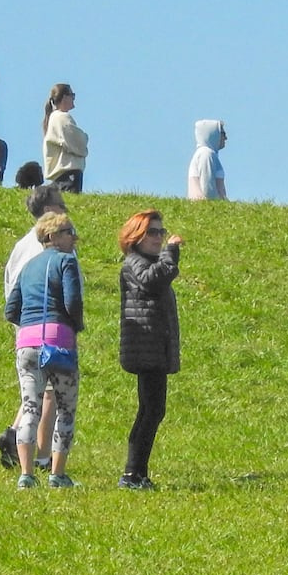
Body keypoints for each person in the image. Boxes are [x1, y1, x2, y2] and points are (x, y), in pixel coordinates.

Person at [4, 211, 83, 489]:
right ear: (52, 236)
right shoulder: (66, 262)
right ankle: (57, 475)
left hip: (26, 343)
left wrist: (30, 326)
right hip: (58, 343)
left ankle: (26, 475)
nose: (74, 238)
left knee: (29, 408)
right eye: (68, 232)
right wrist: (75, 326)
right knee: (65, 409)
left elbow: (10, 310)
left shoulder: (28, 267)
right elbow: (73, 302)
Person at [0, 186, 70, 471]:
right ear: (49, 209)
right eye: (61, 206)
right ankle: (40, 457)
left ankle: (15, 435)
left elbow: (10, 288)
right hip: (48, 326)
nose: (65, 212)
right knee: (50, 390)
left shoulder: (22, 245)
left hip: (24, 325)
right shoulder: (50, 248)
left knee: (34, 389)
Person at [117, 210, 182, 490]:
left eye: (160, 232)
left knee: (153, 410)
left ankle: (137, 473)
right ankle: (133, 474)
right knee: (151, 410)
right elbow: (153, 280)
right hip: (145, 349)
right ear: (137, 236)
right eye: (152, 232)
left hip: (155, 348)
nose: (158, 238)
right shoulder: (133, 264)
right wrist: (171, 253)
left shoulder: (149, 263)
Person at [42, 83, 89, 194]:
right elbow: (77, 142)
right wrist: (85, 137)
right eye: (72, 95)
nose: (73, 99)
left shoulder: (55, 118)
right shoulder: (61, 117)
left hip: (62, 176)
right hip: (67, 173)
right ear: (64, 97)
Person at [188, 120, 228, 200]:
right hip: (205, 206)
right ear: (213, 134)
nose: (226, 138)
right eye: (223, 133)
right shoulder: (206, 154)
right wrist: (215, 205)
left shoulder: (207, 153)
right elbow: (208, 189)